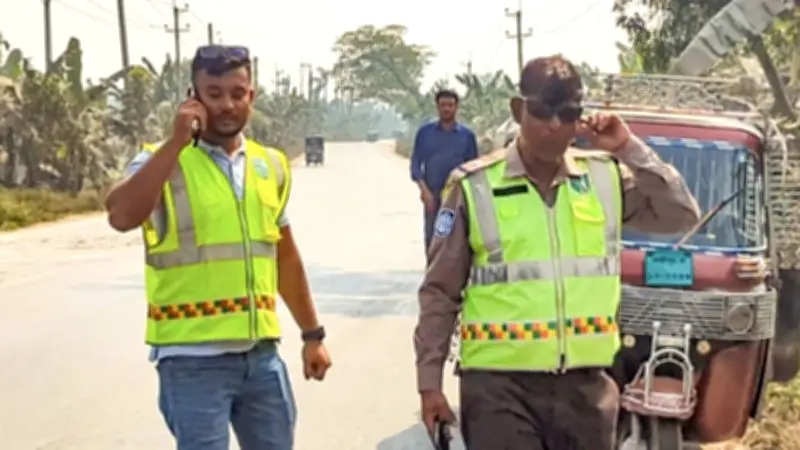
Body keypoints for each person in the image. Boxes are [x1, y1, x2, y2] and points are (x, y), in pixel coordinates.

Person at [413, 55, 701, 450]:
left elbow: (682, 214)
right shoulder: (472, 187)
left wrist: (628, 148)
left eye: (568, 113)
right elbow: (439, 292)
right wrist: (429, 384)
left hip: (586, 392)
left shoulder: (605, 178)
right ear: (518, 110)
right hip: (498, 389)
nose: (554, 125)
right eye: (543, 111)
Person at [104, 45, 332, 450]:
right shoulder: (160, 161)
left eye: (237, 92)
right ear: (193, 97)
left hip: (261, 358)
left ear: (251, 95)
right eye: (214, 93)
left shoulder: (271, 165)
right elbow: (120, 215)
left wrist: (312, 333)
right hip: (191, 361)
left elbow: (284, 257)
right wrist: (175, 143)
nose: (227, 104)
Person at [409, 89, 479, 258]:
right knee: (434, 238)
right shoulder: (425, 133)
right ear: (437, 107)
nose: (446, 109)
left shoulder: (466, 136)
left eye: (450, 105)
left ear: (457, 107)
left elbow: (474, 167)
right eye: (443, 105)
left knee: (458, 239)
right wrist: (424, 192)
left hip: (458, 196)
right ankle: (433, 277)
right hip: (433, 196)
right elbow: (416, 165)